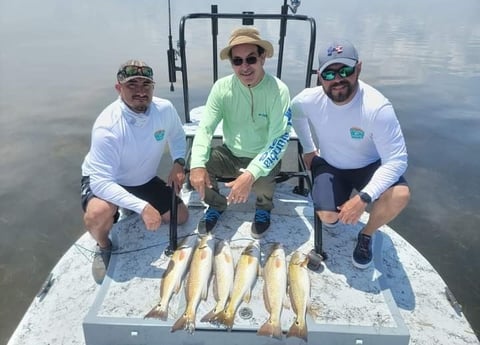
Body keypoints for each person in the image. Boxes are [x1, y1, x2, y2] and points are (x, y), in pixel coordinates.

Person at [291, 40, 410, 269]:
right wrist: (308, 148)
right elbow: (296, 115)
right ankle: (336, 206)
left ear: (359, 68)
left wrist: (364, 197)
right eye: (329, 74)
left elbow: (397, 160)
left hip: (369, 166)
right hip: (331, 164)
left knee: (400, 195)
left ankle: (366, 234)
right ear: (319, 76)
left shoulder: (377, 107)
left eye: (345, 70)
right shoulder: (308, 99)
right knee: (327, 217)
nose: (338, 79)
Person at [81, 59, 189, 283]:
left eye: (146, 85)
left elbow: (178, 137)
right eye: (132, 85)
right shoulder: (107, 126)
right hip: (110, 181)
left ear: (153, 88)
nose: (141, 91)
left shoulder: (165, 110)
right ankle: (104, 245)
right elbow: (100, 183)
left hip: (143, 179)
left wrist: (179, 162)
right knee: (98, 212)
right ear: (118, 88)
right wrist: (143, 207)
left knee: (181, 217)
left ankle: (129, 207)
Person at [189, 27, 291, 238]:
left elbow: (278, 141)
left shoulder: (279, 90)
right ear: (232, 63)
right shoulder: (221, 88)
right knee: (199, 163)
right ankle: (217, 204)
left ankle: (263, 208)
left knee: (262, 181)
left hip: (264, 155)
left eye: (251, 59)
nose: (244, 67)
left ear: (263, 58)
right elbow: (205, 128)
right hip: (230, 153)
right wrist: (197, 165)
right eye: (237, 61)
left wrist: (250, 174)